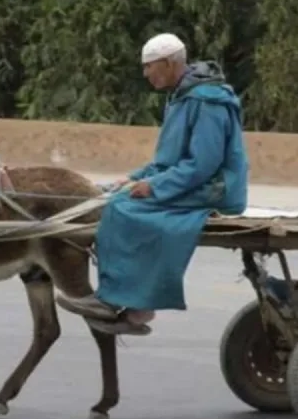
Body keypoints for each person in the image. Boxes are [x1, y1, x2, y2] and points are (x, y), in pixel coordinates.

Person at [56, 32, 250, 335]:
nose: (146, 73)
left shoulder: (207, 101)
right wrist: (134, 177)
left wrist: (155, 187)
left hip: (215, 187)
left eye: (150, 66)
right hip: (193, 181)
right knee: (114, 197)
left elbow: (203, 163)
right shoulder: (183, 96)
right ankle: (134, 305)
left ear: (171, 63)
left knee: (122, 210)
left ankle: (122, 303)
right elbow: (168, 159)